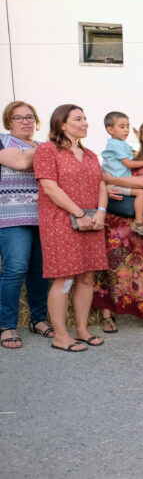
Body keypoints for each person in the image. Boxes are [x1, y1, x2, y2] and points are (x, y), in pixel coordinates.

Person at [34, 104, 108, 352]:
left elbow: (101, 185)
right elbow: (50, 187)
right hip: (61, 222)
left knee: (87, 277)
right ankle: (60, 335)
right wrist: (79, 214)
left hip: (92, 221)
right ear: (62, 124)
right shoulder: (47, 150)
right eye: (78, 119)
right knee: (64, 277)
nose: (85, 122)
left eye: (85, 118)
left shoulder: (90, 155)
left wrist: (101, 211)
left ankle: (81, 329)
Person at [94, 120, 143, 333]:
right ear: (141, 136)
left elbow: (142, 183)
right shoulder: (129, 158)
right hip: (116, 218)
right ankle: (107, 314)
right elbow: (100, 175)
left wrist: (109, 180)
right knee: (112, 266)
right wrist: (106, 187)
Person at [0, 101, 53, 349]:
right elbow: (20, 164)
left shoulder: (42, 145)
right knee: (15, 269)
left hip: (44, 217)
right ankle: (7, 325)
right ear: (8, 121)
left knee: (40, 271)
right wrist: (47, 153)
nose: (25, 121)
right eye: (18, 117)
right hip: (13, 217)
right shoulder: (3, 141)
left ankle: (38, 319)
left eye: (29, 117)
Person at [100, 111, 143, 236]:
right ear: (110, 129)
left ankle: (140, 221)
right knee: (141, 192)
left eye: (127, 126)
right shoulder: (116, 144)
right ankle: (139, 223)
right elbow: (128, 163)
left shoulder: (120, 144)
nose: (126, 130)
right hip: (115, 182)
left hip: (118, 181)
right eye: (122, 127)